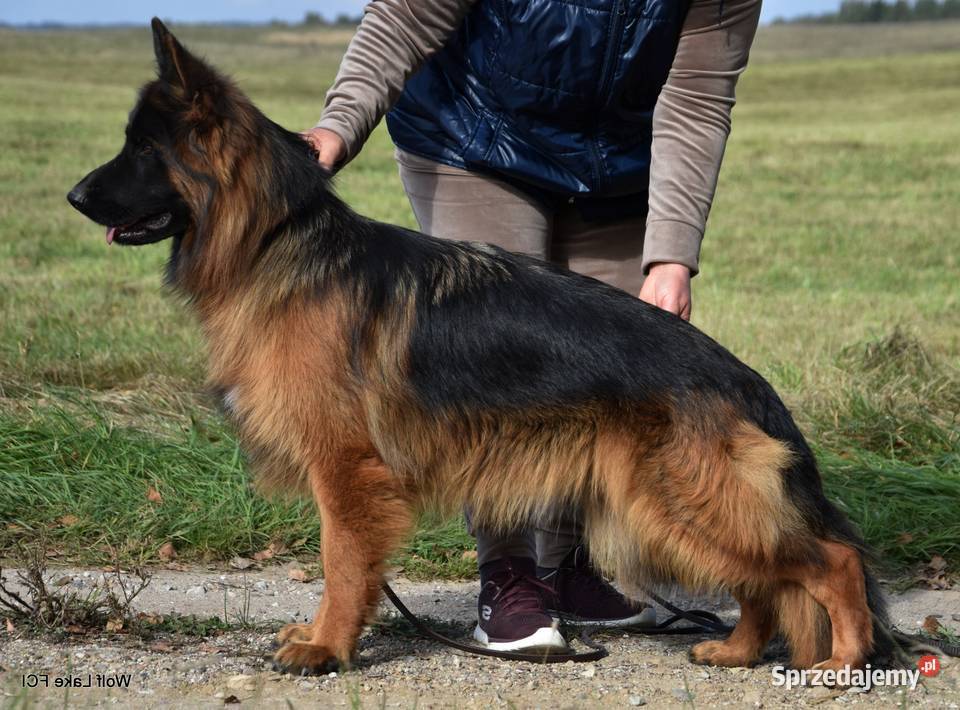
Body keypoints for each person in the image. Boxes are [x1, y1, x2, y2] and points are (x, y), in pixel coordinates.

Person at [303, 0, 762, 653]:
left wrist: (670, 257)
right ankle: (509, 576)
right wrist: (338, 126)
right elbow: (406, 16)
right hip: (473, 140)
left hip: (616, 170)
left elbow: (696, 96)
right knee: (496, 362)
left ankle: (572, 566)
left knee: (608, 375)